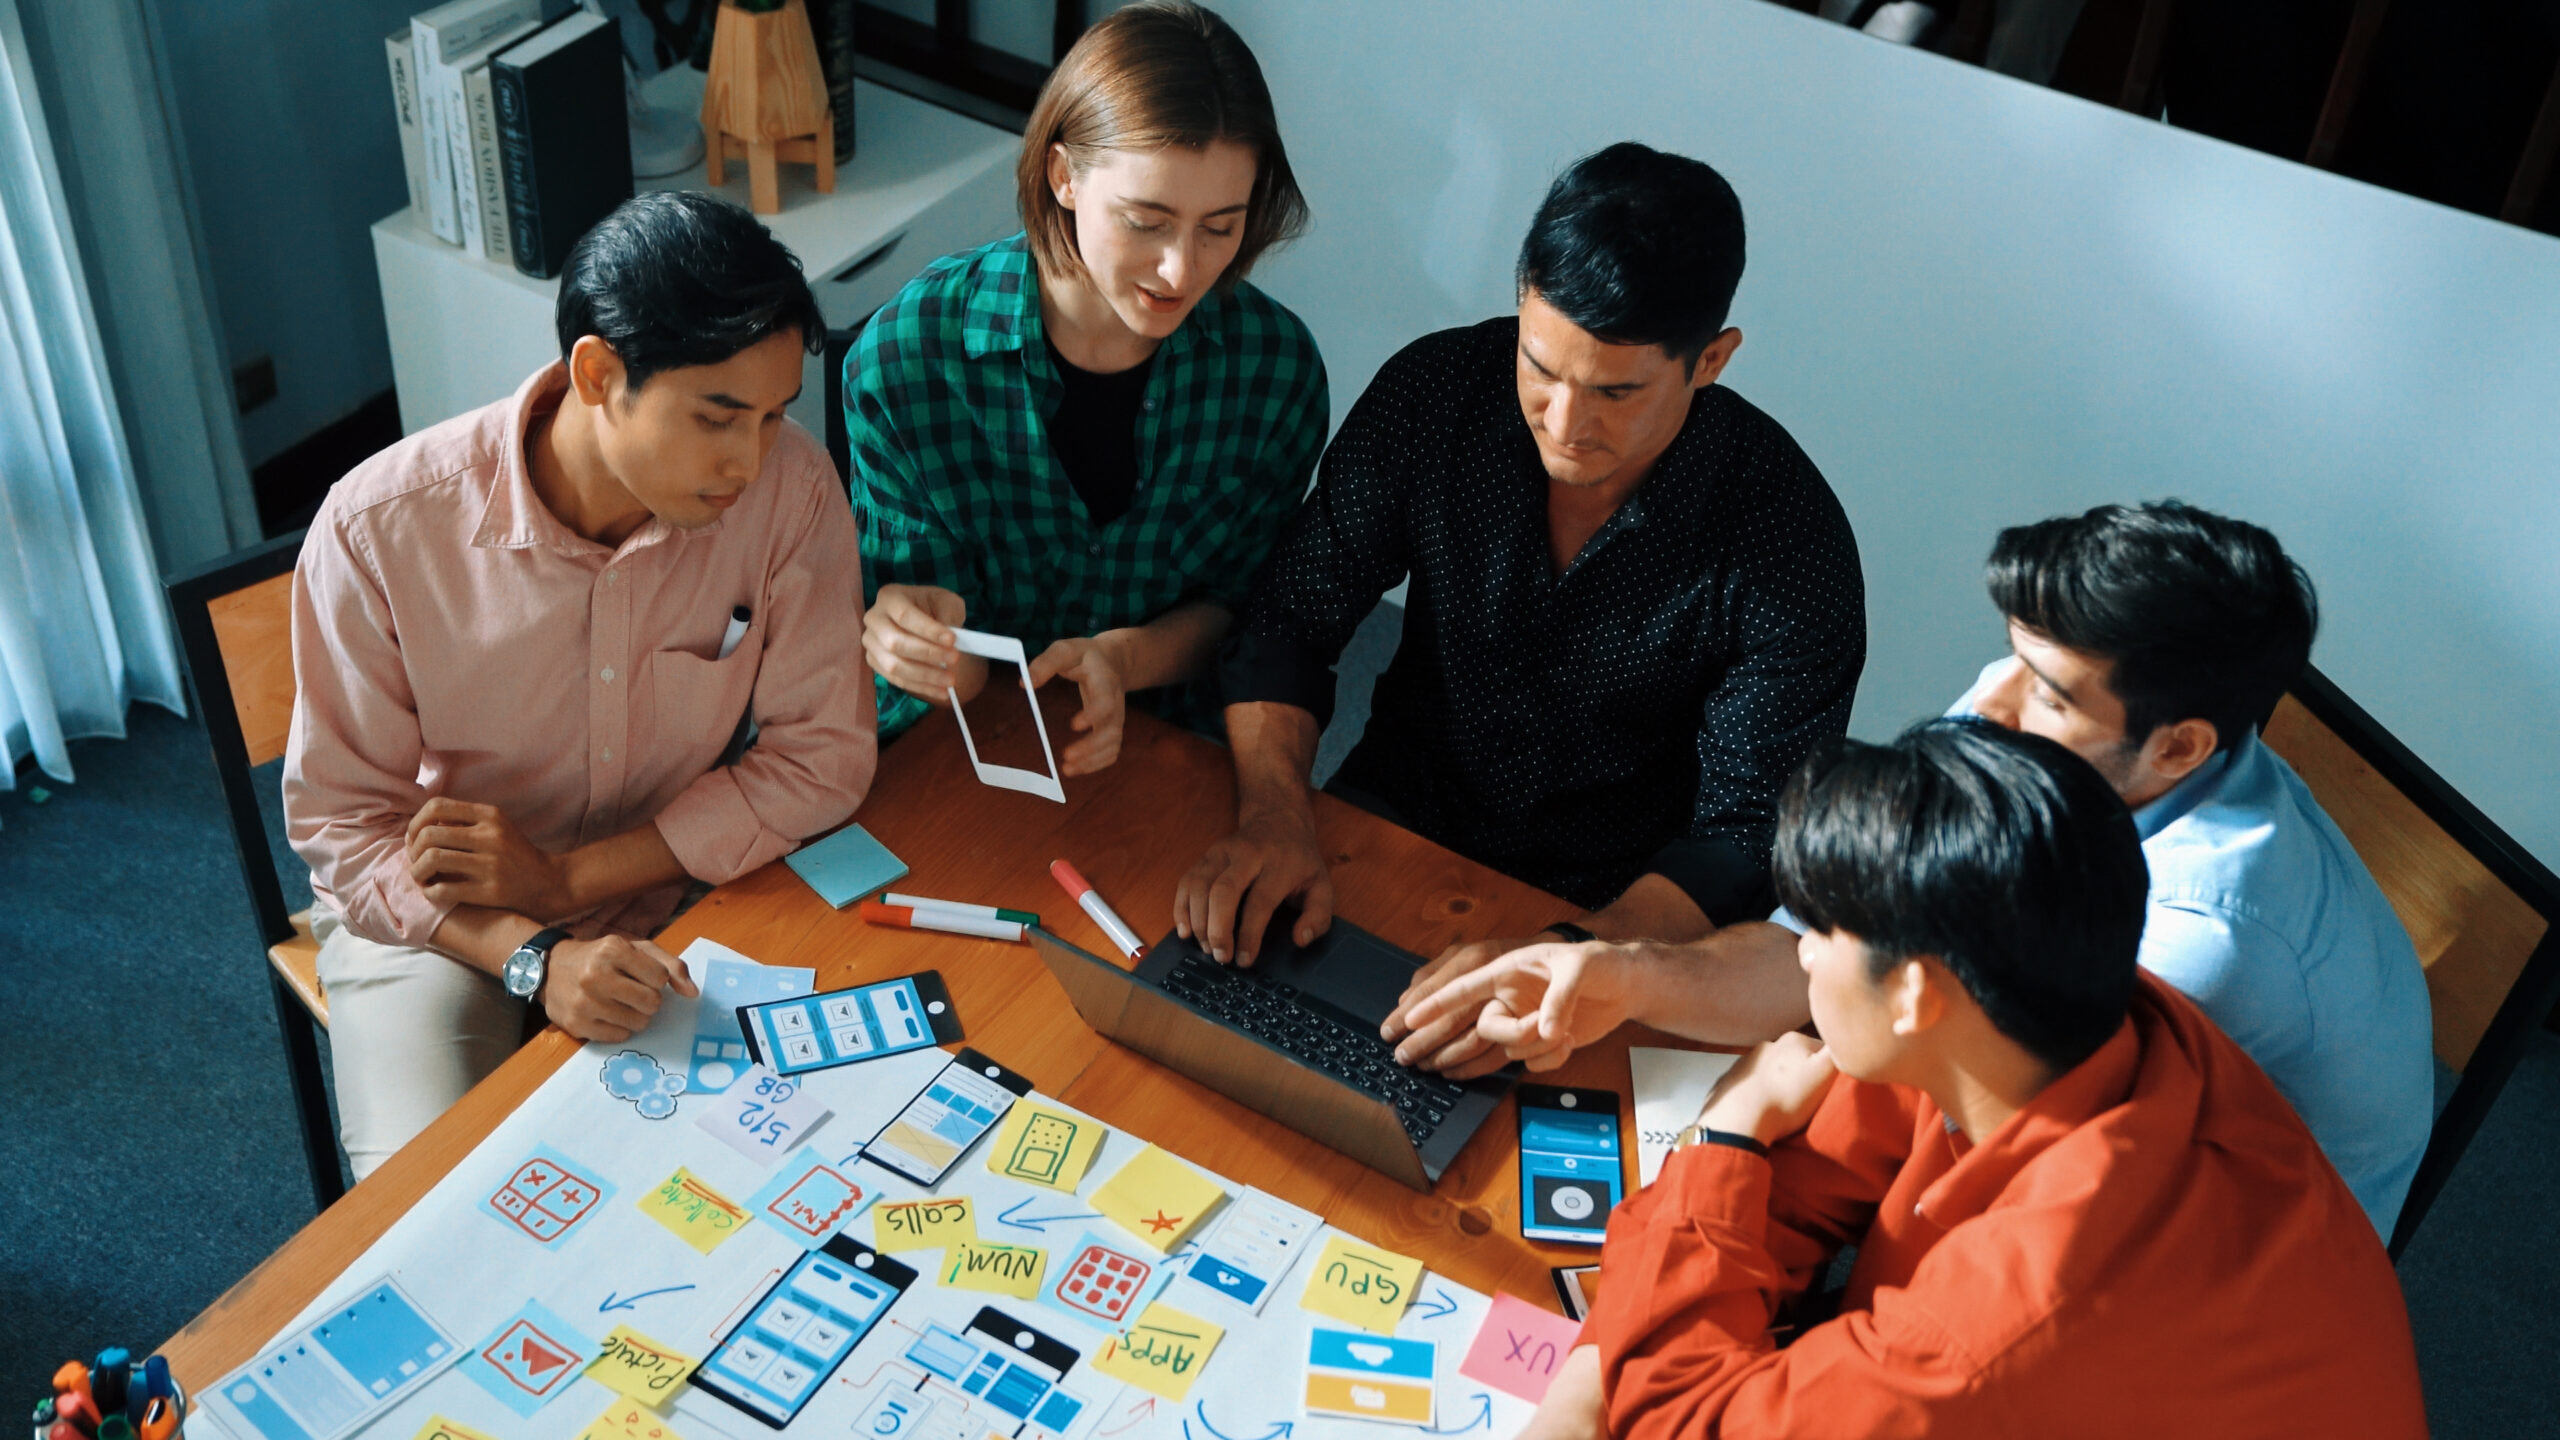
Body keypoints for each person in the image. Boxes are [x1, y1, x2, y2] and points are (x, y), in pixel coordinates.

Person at [1392, 501, 2431, 1238]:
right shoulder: (2026, 716)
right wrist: (1622, 972)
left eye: (2051, 695)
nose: (1986, 709)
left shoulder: (2192, 944)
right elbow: (1829, 944)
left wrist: (1730, 1143)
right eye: (2012, 658)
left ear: (2177, 748)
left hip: (2193, 1254)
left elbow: (1957, 1159)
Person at [1515, 722, 2428, 1439]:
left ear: (1914, 993)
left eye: (1823, 933)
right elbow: (1795, 1196)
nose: (1806, 964)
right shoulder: (2042, 1002)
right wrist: (1596, 1379)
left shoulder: (1989, 1333)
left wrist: (1724, 1135)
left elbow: (1691, 1423)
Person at [285, 193, 873, 1179]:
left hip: (667, 880)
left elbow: (823, 759)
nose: (750, 460)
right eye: (717, 416)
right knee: (431, 1212)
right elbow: (347, 832)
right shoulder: (377, 529)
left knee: (793, 1173)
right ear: (597, 374)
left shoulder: (792, 492)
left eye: (774, 417)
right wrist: (535, 956)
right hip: (439, 920)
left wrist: (574, 882)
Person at [1175, 142, 1864, 969]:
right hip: (1386, 819)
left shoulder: (1790, 539)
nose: (1565, 423)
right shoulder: (1435, 394)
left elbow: (1746, 836)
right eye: (1540, 367)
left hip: (1622, 910)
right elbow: (1288, 622)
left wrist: (1573, 959)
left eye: (1616, 392)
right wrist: (1275, 817)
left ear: (1710, 360)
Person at [849, 0, 1327, 776]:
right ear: (1063, 175)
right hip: (963, 751)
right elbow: (942, 670)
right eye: (1147, 220)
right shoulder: (907, 360)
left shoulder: (1275, 373)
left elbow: (1246, 612)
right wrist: (918, 646)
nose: (1182, 270)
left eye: (1220, 226)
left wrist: (1121, 660)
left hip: (1167, 749)